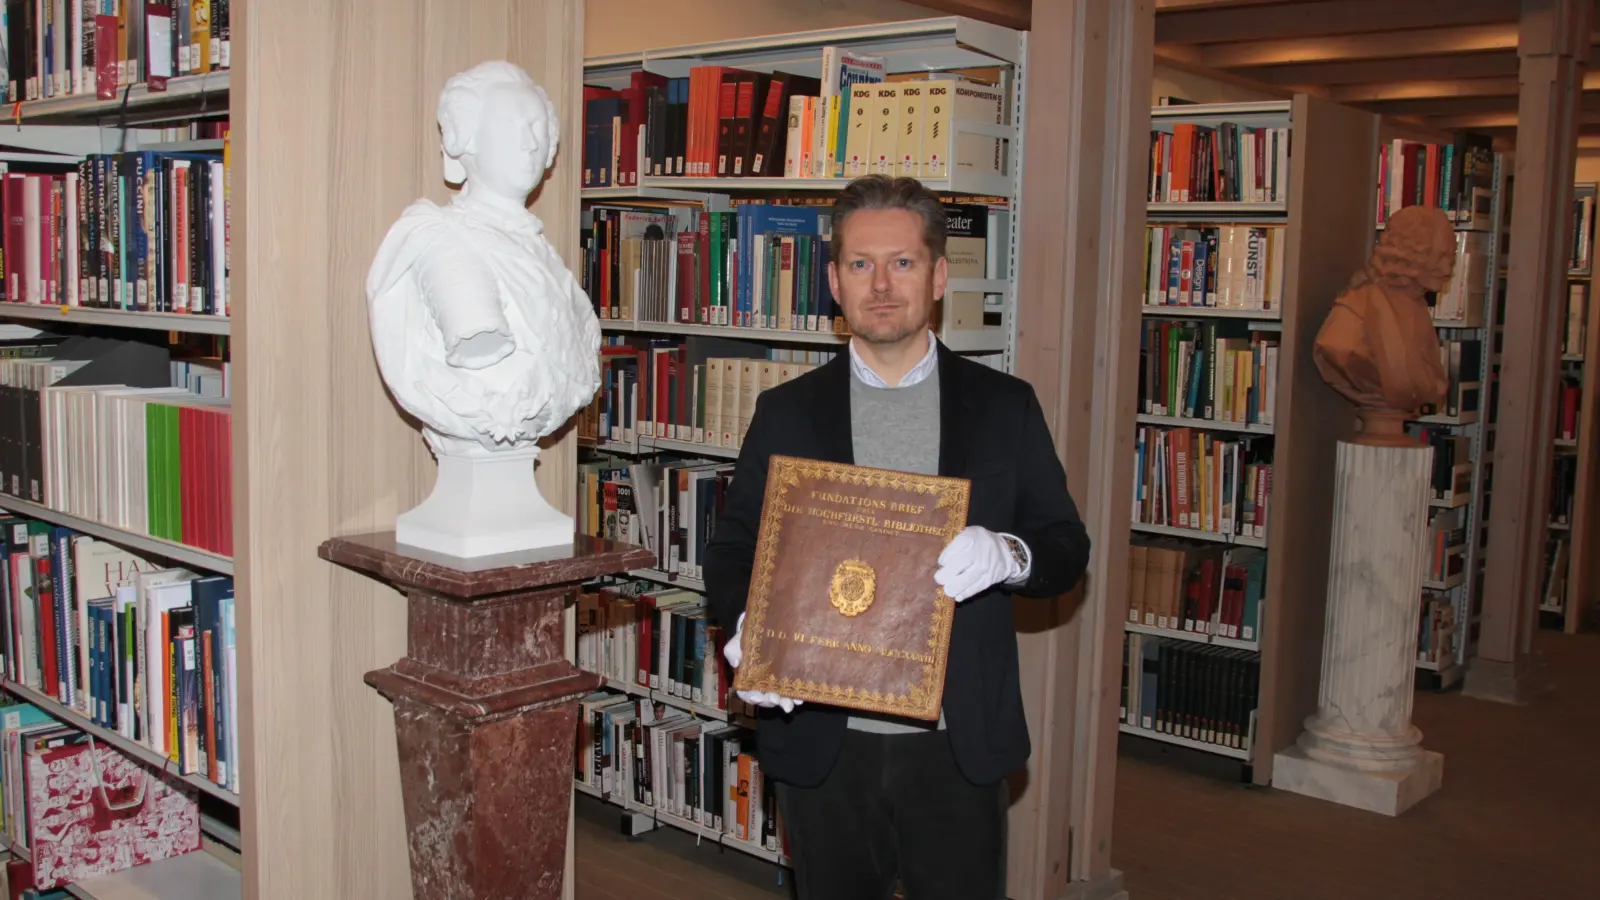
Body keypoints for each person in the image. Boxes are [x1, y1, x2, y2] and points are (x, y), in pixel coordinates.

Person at [702, 174, 1091, 900]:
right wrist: (752, 622)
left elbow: (1067, 546)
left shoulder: (1004, 407)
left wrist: (1009, 554)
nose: (881, 284)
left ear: (938, 277)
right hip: (824, 741)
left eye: (902, 262)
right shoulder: (787, 412)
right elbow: (733, 548)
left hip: (954, 744)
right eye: (861, 264)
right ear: (834, 284)